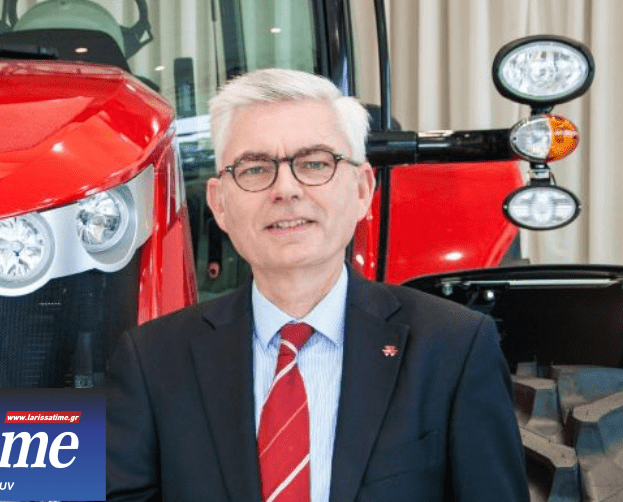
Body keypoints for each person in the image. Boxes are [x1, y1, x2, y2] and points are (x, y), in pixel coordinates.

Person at [105, 69, 529, 501]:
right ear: (220, 204)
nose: (286, 189)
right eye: (255, 169)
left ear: (362, 190)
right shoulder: (150, 360)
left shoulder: (455, 348)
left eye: (314, 164)